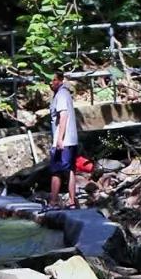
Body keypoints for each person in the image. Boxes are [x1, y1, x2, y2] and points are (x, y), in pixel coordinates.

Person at [48, 70, 79, 209]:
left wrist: (59, 139)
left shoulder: (61, 95)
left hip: (63, 140)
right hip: (71, 140)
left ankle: (53, 201)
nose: (51, 83)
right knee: (70, 169)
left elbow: (64, 116)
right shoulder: (65, 94)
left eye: (53, 80)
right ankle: (72, 201)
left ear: (60, 80)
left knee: (56, 170)